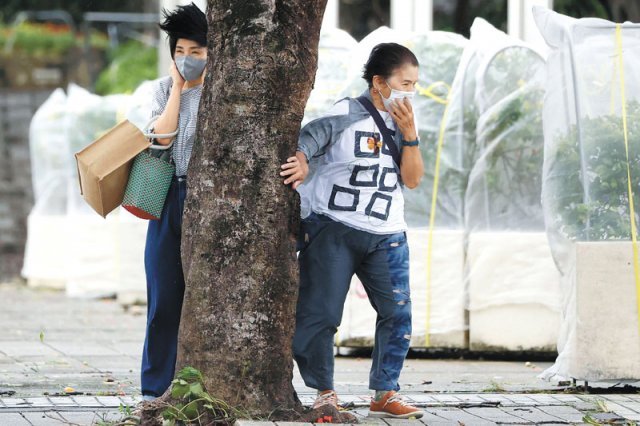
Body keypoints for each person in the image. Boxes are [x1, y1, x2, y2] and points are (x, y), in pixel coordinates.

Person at [281, 42, 425, 419]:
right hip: (335, 228)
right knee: (321, 314)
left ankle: (385, 391)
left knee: (397, 313)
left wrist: (409, 133)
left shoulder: (406, 120)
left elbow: (412, 179)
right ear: (379, 82)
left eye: (415, 84)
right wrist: (300, 161)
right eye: (404, 83)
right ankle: (324, 392)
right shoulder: (345, 113)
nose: (410, 92)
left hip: (387, 232)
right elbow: (309, 141)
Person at [141, 2, 207, 401]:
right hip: (167, 195)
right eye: (180, 51)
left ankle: (197, 388)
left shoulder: (224, 93)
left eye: (196, 52)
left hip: (206, 199)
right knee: (163, 295)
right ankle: (154, 391)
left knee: (203, 296)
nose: (187, 59)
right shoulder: (164, 90)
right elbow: (161, 139)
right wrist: (179, 89)